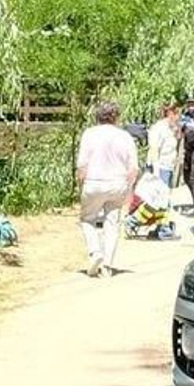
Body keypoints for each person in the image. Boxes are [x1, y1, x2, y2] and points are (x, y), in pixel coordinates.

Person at [76, 100, 139, 277]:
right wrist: (130, 190)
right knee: (112, 222)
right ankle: (108, 265)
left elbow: (82, 166)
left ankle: (95, 253)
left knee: (87, 219)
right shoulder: (124, 136)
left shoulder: (89, 134)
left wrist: (81, 186)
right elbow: (133, 168)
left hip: (94, 182)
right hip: (118, 183)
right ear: (116, 117)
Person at [146, 103, 180, 187]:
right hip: (160, 167)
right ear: (170, 114)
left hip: (168, 166)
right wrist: (156, 171)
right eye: (177, 114)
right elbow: (154, 149)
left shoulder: (171, 128)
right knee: (161, 197)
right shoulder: (159, 128)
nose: (178, 118)